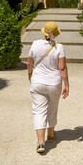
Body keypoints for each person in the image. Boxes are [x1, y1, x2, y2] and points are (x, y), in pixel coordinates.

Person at [27, 21, 69, 154]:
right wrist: (66, 84)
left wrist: (30, 75)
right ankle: (51, 135)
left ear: (44, 31)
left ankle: (40, 143)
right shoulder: (59, 47)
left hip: (37, 82)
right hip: (54, 83)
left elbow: (29, 63)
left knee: (39, 111)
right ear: (55, 33)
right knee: (52, 108)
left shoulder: (35, 44)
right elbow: (62, 67)